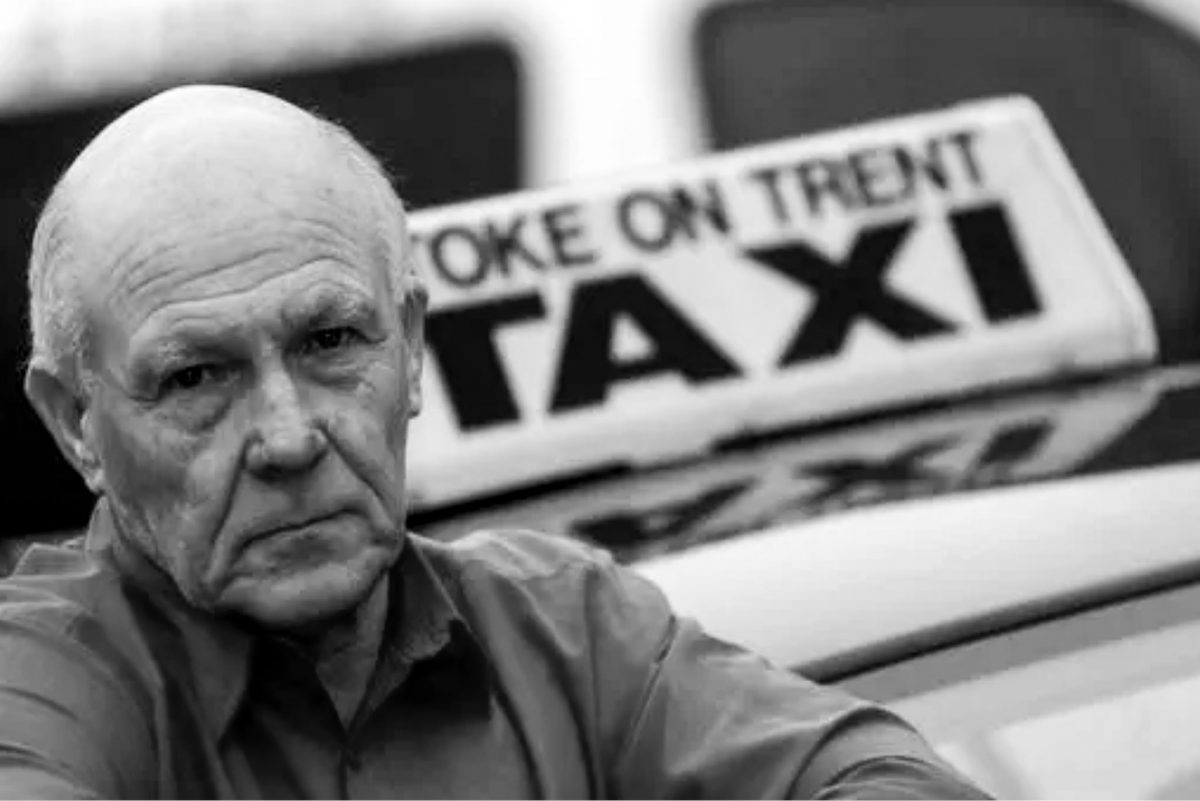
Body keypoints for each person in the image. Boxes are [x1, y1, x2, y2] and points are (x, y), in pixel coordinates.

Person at [1, 84, 988, 799]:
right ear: (74, 422)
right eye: (195, 378)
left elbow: (889, 779)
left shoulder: (565, 632)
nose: (289, 437)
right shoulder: (38, 679)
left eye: (331, 341)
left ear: (412, 348)